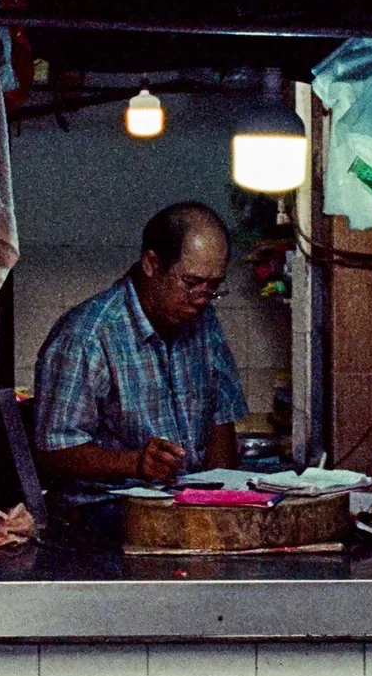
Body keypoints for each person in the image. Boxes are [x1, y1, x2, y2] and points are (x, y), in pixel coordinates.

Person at [33, 201, 247, 484]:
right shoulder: (87, 336)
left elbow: (221, 418)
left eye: (213, 287)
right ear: (151, 264)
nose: (201, 298)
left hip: (187, 504)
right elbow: (53, 450)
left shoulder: (204, 321)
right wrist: (133, 463)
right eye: (191, 282)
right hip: (106, 509)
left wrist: (223, 495)